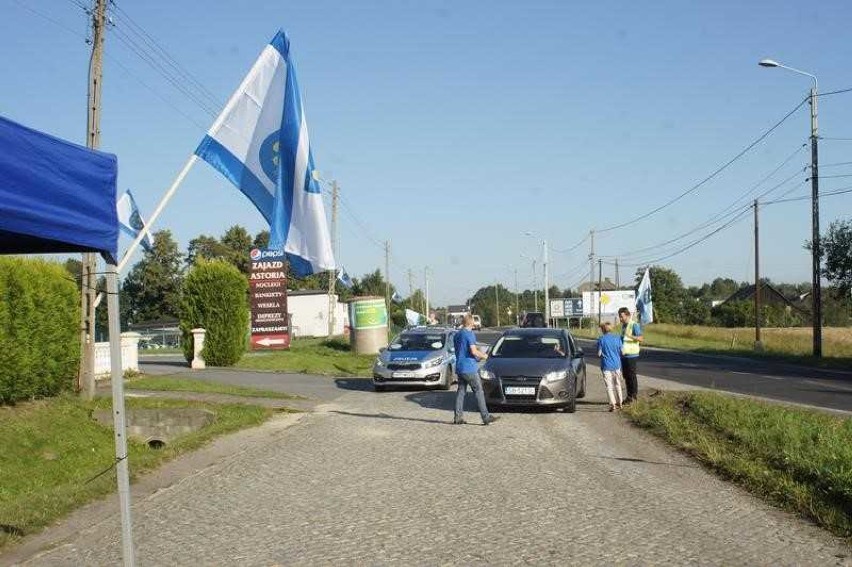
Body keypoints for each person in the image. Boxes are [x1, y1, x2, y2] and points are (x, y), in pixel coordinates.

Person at [452, 313, 500, 425]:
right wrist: (485, 356)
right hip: (469, 368)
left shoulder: (457, 335)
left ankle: (458, 417)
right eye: (473, 321)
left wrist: (476, 356)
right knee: (479, 391)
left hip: (460, 367)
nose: (474, 323)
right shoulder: (469, 334)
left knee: (461, 392)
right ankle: (486, 417)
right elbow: (473, 351)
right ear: (471, 322)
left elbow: (462, 351)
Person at [618, 307, 643, 405]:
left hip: (632, 355)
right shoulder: (624, 326)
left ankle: (634, 396)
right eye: (619, 316)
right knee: (626, 376)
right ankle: (629, 396)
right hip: (624, 355)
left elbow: (641, 338)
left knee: (632, 376)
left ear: (627, 315)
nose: (620, 319)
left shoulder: (634, 325)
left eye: (621, 316)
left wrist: (631, 336)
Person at [596, 321, 624, 411]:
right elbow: (622, 352)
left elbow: (599, 354)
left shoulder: (601, 339)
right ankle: (620, 402)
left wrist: (603, 353)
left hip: (606, 365)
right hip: (617, 365)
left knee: (609, 386)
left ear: (603, 330)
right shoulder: (617, 338)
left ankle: (613, 405)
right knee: (618, 384)